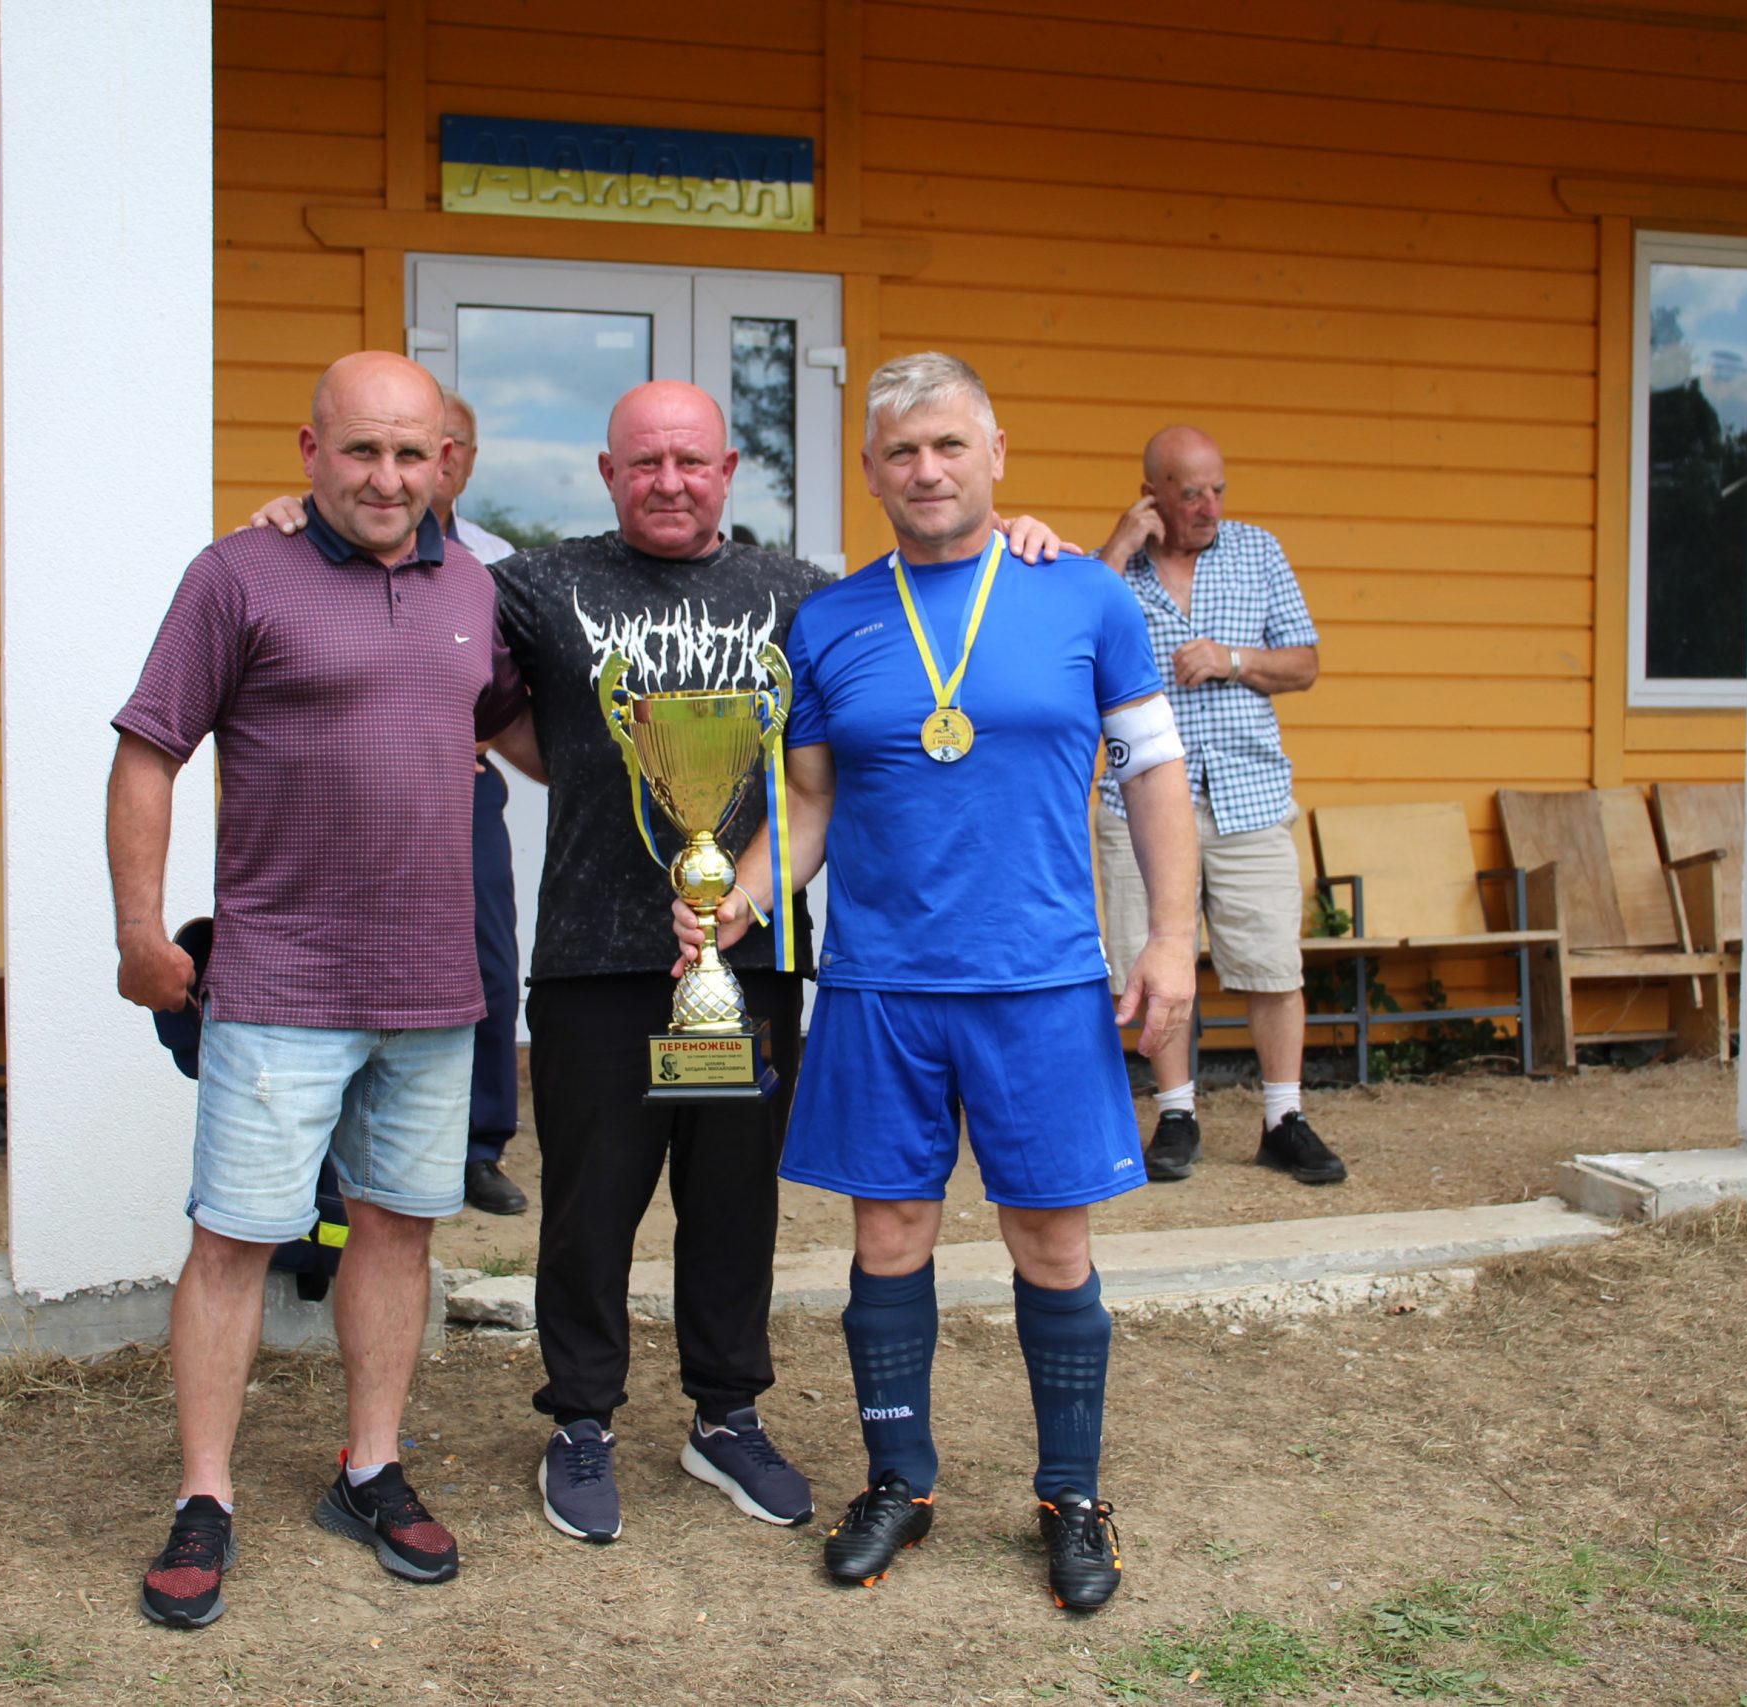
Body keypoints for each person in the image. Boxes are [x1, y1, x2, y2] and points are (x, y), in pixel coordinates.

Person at [249, 380, 1074, 1551]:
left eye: (691, 462)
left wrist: (1023, 535)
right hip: (593, 959)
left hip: (749, 951)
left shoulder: (804, 595)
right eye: (644, 464)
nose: (669, 482)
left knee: (732, 1202)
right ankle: (581, 1418)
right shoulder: (534, 586)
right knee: (591, 1209)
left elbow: (930, 611)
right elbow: (421, 613)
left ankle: (725, 1414)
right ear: (607, 474)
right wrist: (298, 523)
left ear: (728, 471)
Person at [677, 353, 1199, 1612]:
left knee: (1051, 1240)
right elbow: (809, 806)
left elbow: (1152, 773)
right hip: (880, 988)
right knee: (888, 1237)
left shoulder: (1083, 595)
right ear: (870, 471)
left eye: (949, 445)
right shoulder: (830, 621)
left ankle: (1070, 1494)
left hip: (1041, 981)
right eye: (902, 451)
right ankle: (898, 1481)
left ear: (995, 454)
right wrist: (740, 893)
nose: (927, 470)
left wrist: (1173, 937)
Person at [110, 352, 522, 1625]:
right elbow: (148, 753)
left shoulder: (475, 586)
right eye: (360, 451)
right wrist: (138, 934)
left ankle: (371, 1466)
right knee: (234, 1239)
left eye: (410, 454)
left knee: (397, 1230)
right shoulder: (239, 574)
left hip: (433, 986)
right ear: (309, 451)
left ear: (444, 462)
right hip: (281, 979)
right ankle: (205, 1494)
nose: (386, 478)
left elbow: (520, 727)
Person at [1092, 427, 1342, 1187]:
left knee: (1272, 962)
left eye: (1218, 490)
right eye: (1191, 492)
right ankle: (1176, 1114)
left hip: (1248, 794)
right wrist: (1117, 545)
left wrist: (1232, 659)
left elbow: (1305, 662)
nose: (1209, 506)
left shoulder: (1258, 552)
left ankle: (1283, 1116)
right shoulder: (1114, 569)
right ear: (1153, 493)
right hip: (1140, 798)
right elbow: (1073, 638)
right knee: (1152, 960)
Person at [435, 391, 530, 1218]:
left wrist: (477, 734)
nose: (436, 457)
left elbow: (522, 685)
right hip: (363, 796)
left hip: (467, 791)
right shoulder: (316, 545)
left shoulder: (498, 563)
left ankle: (478, 1145)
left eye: (451, 443)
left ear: (466, 459)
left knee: (489, 966)